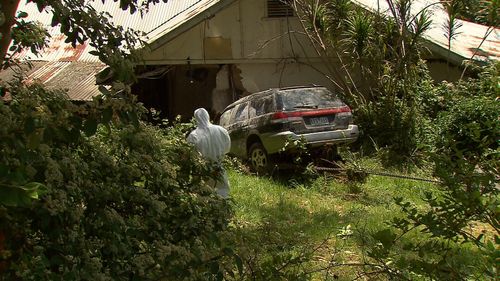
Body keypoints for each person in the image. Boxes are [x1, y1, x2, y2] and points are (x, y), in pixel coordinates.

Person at [187, 108, 231, 198]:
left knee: (202, 196)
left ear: (196, 118)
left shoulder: (193, 135)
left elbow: (191, 155)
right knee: (222, 194)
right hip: (218, 169)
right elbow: (227, 149)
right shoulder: (221, 130)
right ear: (208, 116)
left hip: (202, 172)